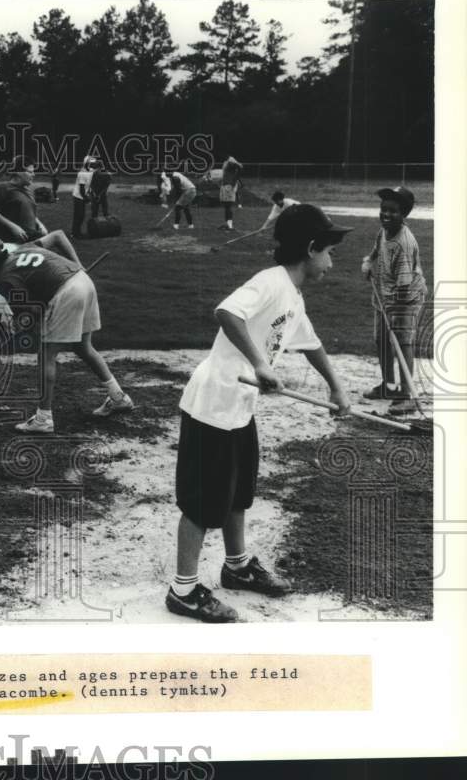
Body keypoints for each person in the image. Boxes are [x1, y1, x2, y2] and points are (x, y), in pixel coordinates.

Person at [165, 203, 352, 622]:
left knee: (237, 494)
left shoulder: (294, 296)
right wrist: (261, 364)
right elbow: (227, 311)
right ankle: (183, 590)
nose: (331, 262)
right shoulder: (269, 282)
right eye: (329, 252)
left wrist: (337, 387)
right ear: (310, 248)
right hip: (213, 404)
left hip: (239, 409)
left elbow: (311, 344)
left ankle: (237, 566)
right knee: (201, 501)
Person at [0, 231, 133, 434]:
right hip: (82, 280)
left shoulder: (5, 279)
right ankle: (118, 397)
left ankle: (43, 418)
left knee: (45, 355)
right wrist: (78, 266)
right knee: (83, 346)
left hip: (66, 293)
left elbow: (27, 318)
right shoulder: (23, 248)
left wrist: (26, 325)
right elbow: (58, 236)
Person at [360, 186, 427, 414]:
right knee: (382, 340)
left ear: (404, 214)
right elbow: (376, 250)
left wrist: (395, 312)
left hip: (405, 299)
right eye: (383, 209)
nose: (386, 214)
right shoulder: (384, 231)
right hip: (385, 296)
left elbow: (405, 284)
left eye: (393, 211)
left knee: (401, 343)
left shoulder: (404, 243)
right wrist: (369, 261)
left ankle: (406, 394)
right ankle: (388, 386)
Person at [0, 155, 48, 244]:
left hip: (29, 240)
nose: (34, 175)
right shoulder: (4, 188)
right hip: (8, 240)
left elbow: (29, 212)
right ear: (19, 172)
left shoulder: (28, 191)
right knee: (58, 237)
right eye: (30, 172)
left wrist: (39, 224)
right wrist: (13, 227)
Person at [71, 156, 94, 238]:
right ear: (86, 163)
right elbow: (81, 189)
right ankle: (75, 233)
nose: (92, 165)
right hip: (78, 196)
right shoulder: (82, 173)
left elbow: (89, 184)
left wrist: (89, 192)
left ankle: (77, 232)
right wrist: (87, 198)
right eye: (91, 163)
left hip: (83, 195)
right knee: (78, 215)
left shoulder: (91, 172)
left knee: (81, 215)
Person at [219, 157, 244, 231]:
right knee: (226, 207)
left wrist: (235, 162)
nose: (225, 163)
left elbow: (239, 166)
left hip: (228, 187)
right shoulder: (230, 169)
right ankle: (227, 224)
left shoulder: (231, 167)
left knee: (228, 206)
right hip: (225, 186)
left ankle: (230, 226)